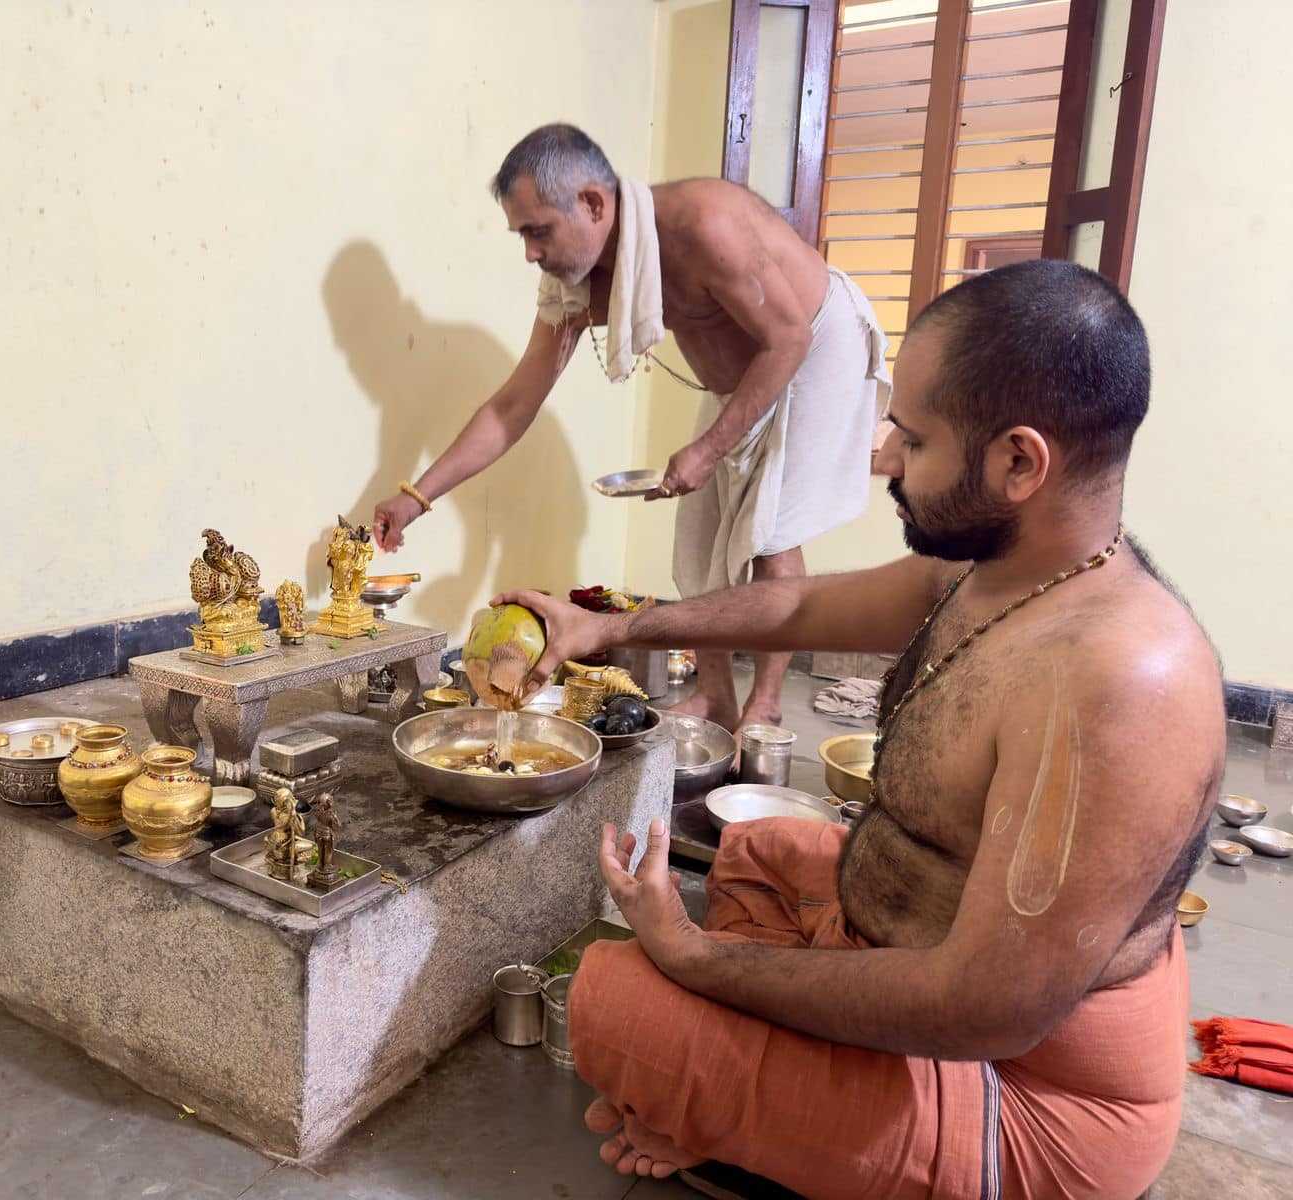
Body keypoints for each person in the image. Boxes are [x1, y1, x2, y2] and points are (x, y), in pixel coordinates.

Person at [494, 259, 1222, 1199]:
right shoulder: (1003, 571)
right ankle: (750, 1107)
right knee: (757, 848)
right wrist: (614, 626)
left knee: (614, 1002)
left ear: (1019, 462)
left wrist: (696, 959)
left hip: (1028, 1102)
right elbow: (795, 612)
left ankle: (734, 1113)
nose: (883, 456)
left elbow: (979, 1012)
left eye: (912, 440)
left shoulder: (1122, 682)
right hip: (917, 958)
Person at [371, 124, 886, 731]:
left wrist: (707, 447)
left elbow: (788, 337)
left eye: (538, 232)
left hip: (815, 344)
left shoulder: (705, 224)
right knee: (698, 548)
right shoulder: (576, 277)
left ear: (592, 204)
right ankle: (717, 698)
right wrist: (417, 497)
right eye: (522, 236)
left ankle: (764, 706)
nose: (530, 253)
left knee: (770, 534)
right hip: (740, 377)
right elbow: (514, 405)